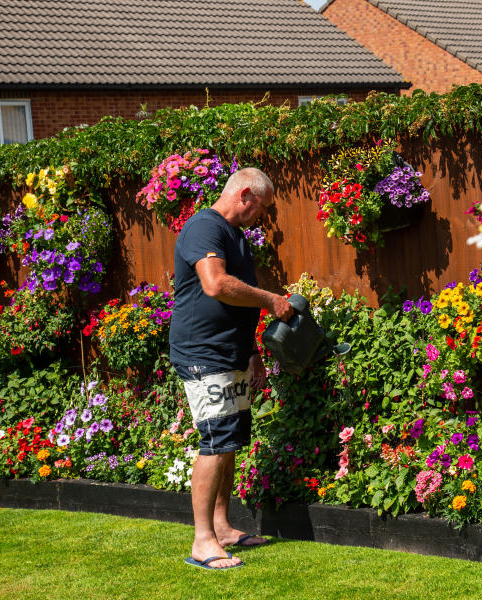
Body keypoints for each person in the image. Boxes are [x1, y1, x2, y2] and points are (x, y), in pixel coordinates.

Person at [169, 167, 293, 570]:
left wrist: (252, 351)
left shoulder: (236, 238)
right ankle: (202, 540)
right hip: (202, 352)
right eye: (262, 207)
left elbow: (235, 304)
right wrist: (271, 300)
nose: (262, 216)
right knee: (216, 438)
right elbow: (216, 285)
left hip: (231, 352)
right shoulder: (204, 228)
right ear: (244, 195)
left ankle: (221, 527)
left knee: (231, 438)